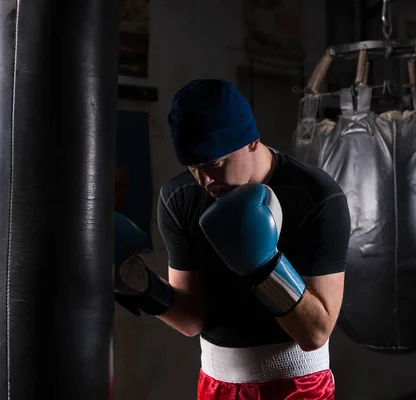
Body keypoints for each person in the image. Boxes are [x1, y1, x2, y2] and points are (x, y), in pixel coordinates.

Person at [114, 78, 351, 400]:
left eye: (215, 163)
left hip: (297, 386)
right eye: (194, 167)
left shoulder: (316, 196)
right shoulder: (179, 197)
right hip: (216, 383)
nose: (205, 180)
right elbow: (192, 320)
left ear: (252, 142)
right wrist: (140, 285)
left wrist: (264, 266)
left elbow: (315, 333)